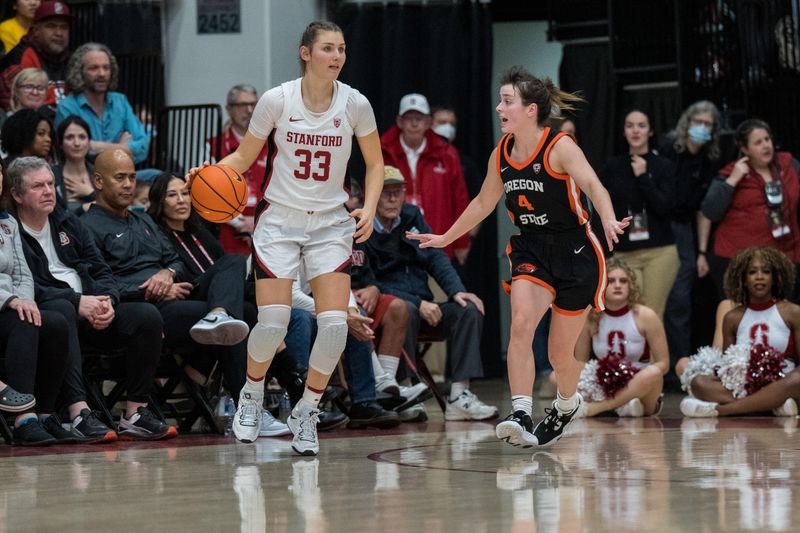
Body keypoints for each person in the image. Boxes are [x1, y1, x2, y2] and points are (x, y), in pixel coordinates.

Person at [187, 21, 383, 455]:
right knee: (273, 321)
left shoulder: (356, 104)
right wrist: (207, 174)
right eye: (328, 48)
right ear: (305, 53)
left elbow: (374, 163)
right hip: (279, 220)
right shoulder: (277, 99)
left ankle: (307, 410)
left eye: (342, 49)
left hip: (331, 222)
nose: (337, 56)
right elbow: (242, 157)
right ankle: (252, 396)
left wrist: (367, 207)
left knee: (333, 325)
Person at [408, 66, 629, 448]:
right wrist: (445, 235)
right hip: (531, 247)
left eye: (507, 101)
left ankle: (566, 404)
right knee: (522, 324)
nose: (499, 108)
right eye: (500, 100)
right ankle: (521, 410)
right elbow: (481, 203)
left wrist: (608, 217)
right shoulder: (502, 153)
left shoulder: (559, 146)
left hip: (576, 250)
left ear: (530, 110)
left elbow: (594, 185)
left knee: (560, 354)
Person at [11, 156, 170, 441]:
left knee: (147, 316)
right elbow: (24, 284)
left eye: (50, 184)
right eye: (38, 186)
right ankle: (79, 412)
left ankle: (135, 412)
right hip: (55, 316)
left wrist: (108, 299)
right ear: (17, 194)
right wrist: (77, 301)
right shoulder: (11, 230)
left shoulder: (67, 221)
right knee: (61, 309)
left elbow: (100, 268)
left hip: (94, 310)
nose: (48, 191)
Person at [361, 165, 496, 422]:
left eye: (397, 192)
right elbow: (369, 282)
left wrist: (457, 291)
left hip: (425, 304)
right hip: (391, 310)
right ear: (373, 195)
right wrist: (417, 302)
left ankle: (460, 394)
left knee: (468, 308)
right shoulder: (364, 227)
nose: (392, 198)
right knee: (404, 308)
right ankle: (404, 389)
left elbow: (436, 257)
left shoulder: (412, 216)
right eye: (385, 192)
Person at [677, 246, 800, 417]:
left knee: (797, 379)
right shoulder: (732, 317)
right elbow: (728, 370)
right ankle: (773, 405)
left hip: (782, 380)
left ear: (775, 277)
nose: (759, 277)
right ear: (743, 278)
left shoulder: (793, 312)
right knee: (698, 382)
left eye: (766, 272)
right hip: (746, 384)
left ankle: (722, 410)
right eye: (752, 272)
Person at [0, 156, 70, 445]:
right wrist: (12, 300)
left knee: (54, 322)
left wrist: (26, 301)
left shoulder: (7, 222)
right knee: (23, 322)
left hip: (12, 303)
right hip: (4, 305)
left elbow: (23, 272)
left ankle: (45, 413)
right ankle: (23, 419)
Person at [700, 119, 800, 298]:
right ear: (745, 149)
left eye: (767, 139)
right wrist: (733, 180)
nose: (766, 146)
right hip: (741, 260)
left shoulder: (788, 164)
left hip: (785, 255)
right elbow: (710, 211)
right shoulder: (731, 172)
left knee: (785, 317)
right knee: (746, 319)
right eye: (758, 142)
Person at [660, 100, 722, 386]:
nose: (702, 128)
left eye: (708, 124)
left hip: (686, 229)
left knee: (681, 299)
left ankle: (679, 367)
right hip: (659, 226)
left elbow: (703, 210)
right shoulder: (668, 147)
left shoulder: (709, 160)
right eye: (699, 121)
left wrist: (701, 252)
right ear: (688, 122)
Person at [598, 108, 678, 319]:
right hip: (624, 253)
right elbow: (599, 203)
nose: (635, 131)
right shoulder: (612, 166)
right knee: (627, 316)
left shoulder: (664, 166)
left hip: (659, 252)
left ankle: (655, 354)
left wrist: (644, 177)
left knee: (651, 315)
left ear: (650, 131)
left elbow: (665, 207)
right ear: (623, 131)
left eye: (641, 126)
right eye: (630, 125)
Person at [573, 258, 668, 417]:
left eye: (623, 281)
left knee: (654, 373)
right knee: (556, 376)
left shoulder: (646, 315)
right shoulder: (590, 317)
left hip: (639, 381)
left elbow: (663, 363)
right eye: (611, 281)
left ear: (630, 285)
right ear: (601, 285)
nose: (618, 285)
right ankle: (625, 407)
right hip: (605, 381)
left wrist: (632, 376)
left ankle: (599, 408)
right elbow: (580, 362)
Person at [381, 94, 471, 263]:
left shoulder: (446, 153)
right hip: (392, 244)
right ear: (399, 121)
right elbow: (370, 194)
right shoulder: (382, 151)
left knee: (440, 286)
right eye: (409, 118)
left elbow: (459, 200)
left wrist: (461, 241)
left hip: (438, 242)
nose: (414, 123)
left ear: (428, 122)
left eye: (419, 118)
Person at [55, 42, 150, 164]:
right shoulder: (67, 107)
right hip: (85, 176)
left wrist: (96, 146)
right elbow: (76, 150)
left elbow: (142, 147)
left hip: (121, 174)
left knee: (158, 176)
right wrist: (122, 148)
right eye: (94, 68)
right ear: (80, 72)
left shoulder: (120, 101)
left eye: (106, 68)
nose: (102, 74)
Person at [208, 84, 266, 255]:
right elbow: (208, 192)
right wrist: (241, 224)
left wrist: (258, 221)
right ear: (229, 109)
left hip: (268, 227)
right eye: (242, 105)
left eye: (254, 104)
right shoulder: (212, 146)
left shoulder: (273, 144)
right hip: (228, 230)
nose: (249, 110)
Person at [0, 1, 70, 111]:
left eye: (64, 27)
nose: (59, 33)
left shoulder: (72, 58)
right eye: (51, 26)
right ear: (36, 30)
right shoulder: (21, 57)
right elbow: (19, 111)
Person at [51, 114, 94, 209]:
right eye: (70, 137)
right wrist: (82, 209)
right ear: (61, 144)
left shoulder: (101, 173)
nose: (77, 143)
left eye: (82, 137)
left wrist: (91, 194)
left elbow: (112, 209)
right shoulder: (51, 175)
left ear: (89, 142)